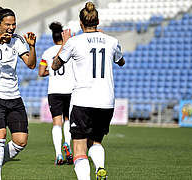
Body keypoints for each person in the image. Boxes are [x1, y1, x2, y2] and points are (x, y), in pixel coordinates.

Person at [52, 2, 125, 180]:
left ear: (80, 22)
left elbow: (55, 65)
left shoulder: (74, 42)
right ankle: (100, 167)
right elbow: (121, 62)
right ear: (98, 21)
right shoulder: (112, 41)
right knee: (96, 142)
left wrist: (65, 43)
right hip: (106, 101)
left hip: (83, 101)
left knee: (79, 149)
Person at [0, 6, 37, 180]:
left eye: (14, 24)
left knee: (21, 141)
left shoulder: (18, 40)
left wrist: (32, 47)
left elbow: (31, 64)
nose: (11, 28)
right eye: (7, 24)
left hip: (14, 96)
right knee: (0, 135)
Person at [38, 22, 74, 165]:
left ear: (53, 38)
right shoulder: (70, 49)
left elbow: (41, 73)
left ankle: (58, 154)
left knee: (56, 122)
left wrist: (51, 72)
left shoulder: (47, 53)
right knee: (68, 120)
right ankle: (67, 143)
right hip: (70, 90)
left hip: (54, 91)